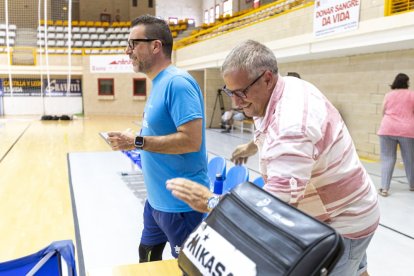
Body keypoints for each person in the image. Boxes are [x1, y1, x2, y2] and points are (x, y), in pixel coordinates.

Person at [166, 40, 379, 276]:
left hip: (341, 225)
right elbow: (273, 133)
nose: (235, 102)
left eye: (241, 92)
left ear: (267, 78)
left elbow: (274, 209)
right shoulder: (281, 90)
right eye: (230, 92)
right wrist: (251, 146)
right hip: (351, 205)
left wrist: (211, 202)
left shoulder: (292, 124)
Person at [107, 15, 209, 263]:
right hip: (156, 203)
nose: (127, 50)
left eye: (133, 43)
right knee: (147, 257)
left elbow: (191, 141)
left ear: (156, 45)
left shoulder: (178, 83)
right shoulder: (159, 83)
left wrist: (137, 142)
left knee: (187, 267)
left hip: (181, 206)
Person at [377, 73, 414, 197]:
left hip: (387, 129)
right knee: (410, 159)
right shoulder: (412, 94)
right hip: (407, 131)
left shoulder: (388, 95)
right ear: (407, 82)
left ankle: (384, 188)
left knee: (388, 158)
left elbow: (383, 111)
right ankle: (412, 185)